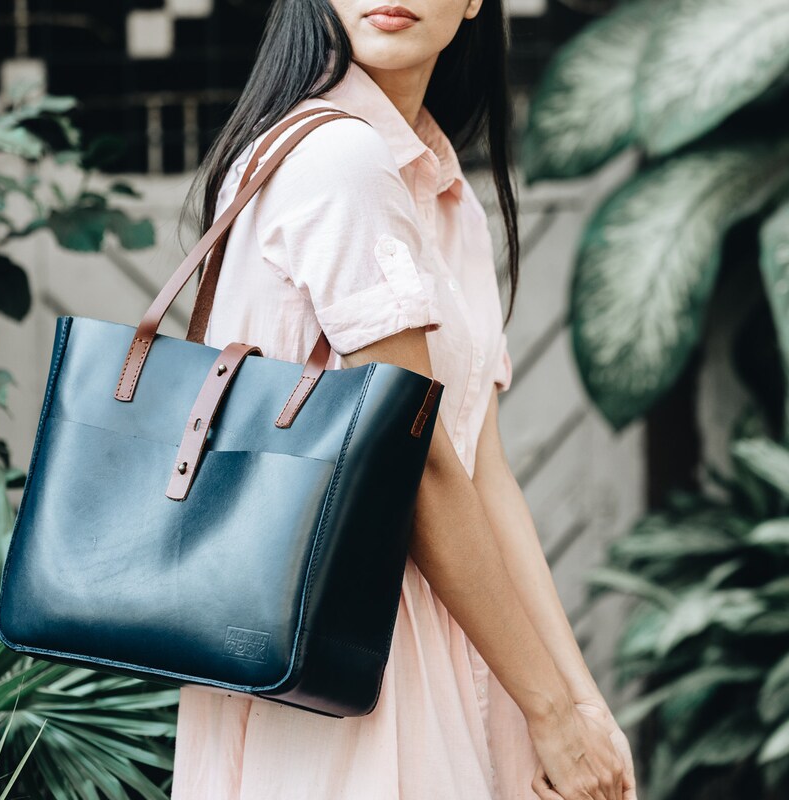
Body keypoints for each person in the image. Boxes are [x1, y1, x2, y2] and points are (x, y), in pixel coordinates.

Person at [170, 1, 638, 798]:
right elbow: (414, 466)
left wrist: (580, 703)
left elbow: (480, 468)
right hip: (344, 665)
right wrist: (553, 711)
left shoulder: (439, 182)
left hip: (454, 644)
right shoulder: (338, 160)